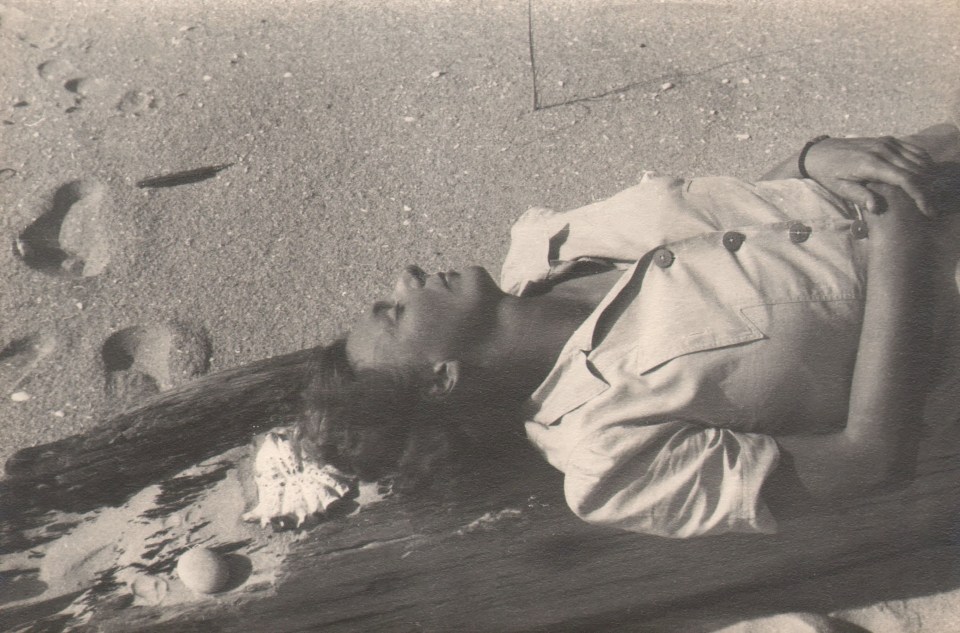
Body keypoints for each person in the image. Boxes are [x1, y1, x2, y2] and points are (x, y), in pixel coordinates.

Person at [298, 120, 960, 538]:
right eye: (395, 310)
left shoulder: (542, 248)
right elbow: (869, 460)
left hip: (934, 164)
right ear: (442, 379)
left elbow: (741, 225)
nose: (405, 275)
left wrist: (812, 157)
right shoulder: (608, 458)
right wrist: (904, 246)